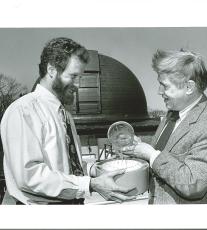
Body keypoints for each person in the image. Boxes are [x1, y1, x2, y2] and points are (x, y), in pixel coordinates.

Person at [0, 37, 135, 205]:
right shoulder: (24, 111)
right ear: (51, 70)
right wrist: (90, 184)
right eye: (73, 76)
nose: (77, 84)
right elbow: (30, 176)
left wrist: (93, 170)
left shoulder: (64, 115)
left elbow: (66, 166)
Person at [123, 49, 207, 204]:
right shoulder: (173, 113)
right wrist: (140, 145)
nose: (159, 91)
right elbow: (171, 147)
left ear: (189, 87)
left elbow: (193, 184)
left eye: (164, 86)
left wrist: (151, 155)